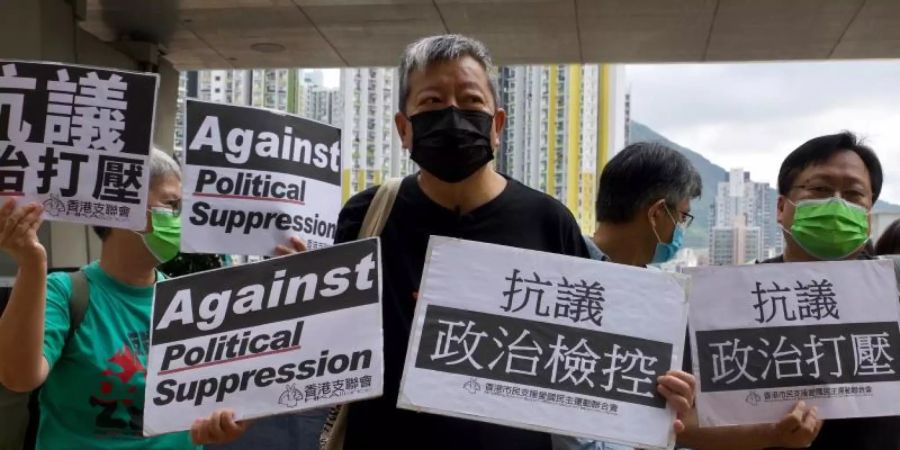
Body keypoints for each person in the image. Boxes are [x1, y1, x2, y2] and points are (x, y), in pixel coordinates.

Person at [328, 34, 695, 450]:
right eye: (432, 103)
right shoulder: (367, 214)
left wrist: (657, 393)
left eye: (470, 102)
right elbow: (335, 344)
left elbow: (595, 356)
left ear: (498, 125)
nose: (453, 116)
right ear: (403, 128)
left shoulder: (548, 222)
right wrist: (299, 297)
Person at [0, 148, 293, 449]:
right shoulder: (64, 293)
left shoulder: (193, 304)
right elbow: (17, 376)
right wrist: (31, 263)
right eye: (172, 205)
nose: (182, 219)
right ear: (124, 208)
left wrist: (304, 286)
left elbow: (239, 387)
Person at [680, 132, 894, 450]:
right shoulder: (726, 300)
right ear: (782, 207)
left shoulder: (893, 292)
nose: (836, 203)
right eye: (820, 189)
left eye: (853, 194)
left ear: (868, 214)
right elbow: (681, 423)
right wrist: (767, 435)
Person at [551, 142, 701, 450]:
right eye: (683, 217)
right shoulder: (561, 280)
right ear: (658, 213)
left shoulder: (663, 298)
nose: (681, 230)